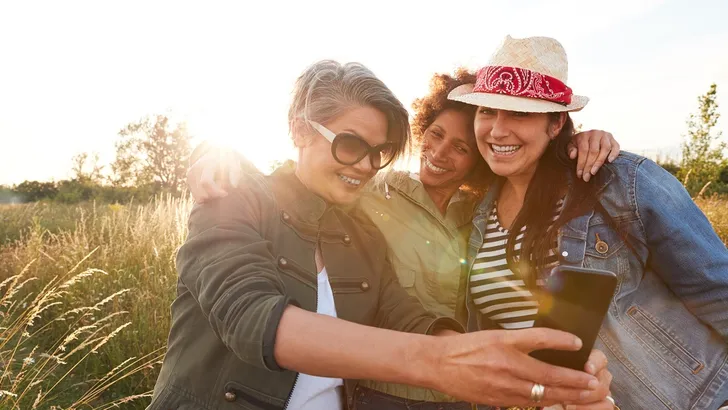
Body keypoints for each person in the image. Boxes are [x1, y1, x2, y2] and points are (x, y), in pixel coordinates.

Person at [185, 65, 619, 409]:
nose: (365, 166)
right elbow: (248, 316)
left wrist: (489, 358)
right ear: (299, 129)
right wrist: (215, 153)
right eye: (350, 145)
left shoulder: (361, 231)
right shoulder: (236, 197)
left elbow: (401, 312)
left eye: (379, 153)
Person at [446, 35, 728, 410]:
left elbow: (717, 292)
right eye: (486, 111)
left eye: (519, 112)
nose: (497, 130)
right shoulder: (475, 213)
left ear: (556, 122)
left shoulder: (621, 183)